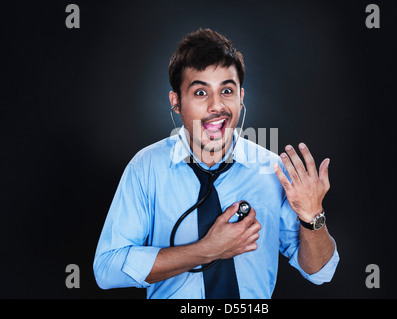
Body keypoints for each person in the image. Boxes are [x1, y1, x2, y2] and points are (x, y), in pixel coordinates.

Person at [93, 28, 339, 299]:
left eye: (227, 90)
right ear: (177, 102)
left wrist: (312, 215)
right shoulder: (146, 168)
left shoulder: (273, 170)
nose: (216, 105)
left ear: (241, 97)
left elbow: (320, 272)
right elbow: (106, 270)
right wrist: (207, 249)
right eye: (200, 92)